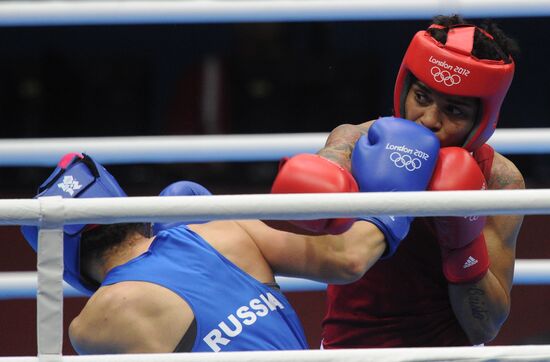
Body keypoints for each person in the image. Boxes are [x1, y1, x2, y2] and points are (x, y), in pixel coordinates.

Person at [20, 127, 439, 355]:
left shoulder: (93, 324)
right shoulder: (222, 229)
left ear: (62, 261)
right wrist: (403, 177)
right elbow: (351, 257)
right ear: (124, 205)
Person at [267, 15, 525, 347]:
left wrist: (462, 246)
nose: (430, 119)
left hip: (449, 356)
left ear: (482, 120)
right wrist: (324, 179)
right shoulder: (354, 143)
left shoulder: (499, 180)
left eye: (455, 111)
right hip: (349, 351)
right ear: (404, 89)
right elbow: (325, 178)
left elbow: (484, 327)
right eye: (422, 97)